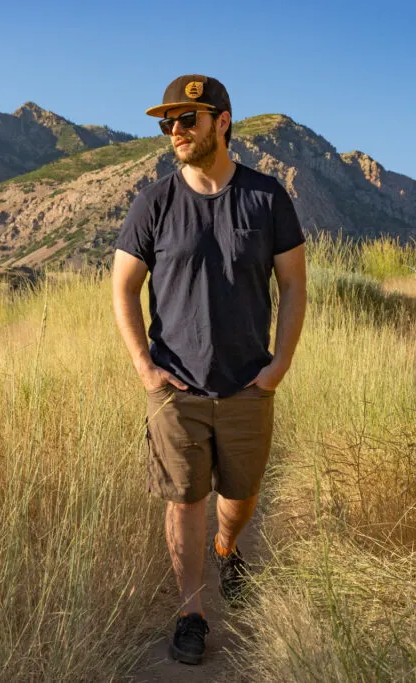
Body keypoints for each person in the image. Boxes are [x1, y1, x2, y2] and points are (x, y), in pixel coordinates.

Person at [111, 74, 307, 666]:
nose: (174, 131)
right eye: (167, 123)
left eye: (187, 119)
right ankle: (191, 612)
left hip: (249, 381)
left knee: (240, 494)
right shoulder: (154, 203)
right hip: (176, 387)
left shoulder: (267, 198)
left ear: (221, 122)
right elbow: (122, 287)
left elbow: (294, 286)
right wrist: (145, 367)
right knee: (185, 497)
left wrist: (277, 367)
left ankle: (228, 547)